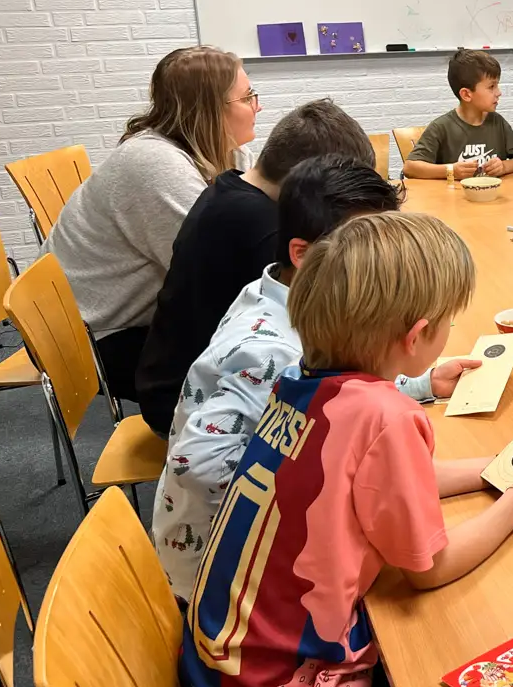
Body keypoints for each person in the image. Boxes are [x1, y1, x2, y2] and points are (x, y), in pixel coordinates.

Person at [182, 210, 513, 687]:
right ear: (417, 337)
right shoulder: (386, 415)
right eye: (448, 321)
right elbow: (429, 568)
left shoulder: (303, 383)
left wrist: (506, 464)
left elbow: (392, 482)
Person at [151, 155, 466, 600]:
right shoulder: (274, 351)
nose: (382, 265)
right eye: (363, 248)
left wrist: (420, 384)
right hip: (223, 577)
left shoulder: (274, 294)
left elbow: (324, 393)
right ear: (305, 254)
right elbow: (197, 464)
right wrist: (315, 504)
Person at [135, 99, 374, 436]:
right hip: (197, 410)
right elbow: (324, 333)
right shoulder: (266, 230)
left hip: (179, 383)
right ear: (306, 182)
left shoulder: (230, 187)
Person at [44, 46, 259, 399]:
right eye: (247, 97)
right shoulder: (155, 165)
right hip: (98, 338)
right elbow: (220, 272)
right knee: (260, 364)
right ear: (210, 110)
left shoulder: (224, 150)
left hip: (131, 319)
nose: (257, 106)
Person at [403, 49, 513, 180]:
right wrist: (450, 171)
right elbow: (410, 168)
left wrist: (504, 166)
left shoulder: (497, 122)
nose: (499, 92)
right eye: (491, 87)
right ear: (466, 94)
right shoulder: (441, 127)